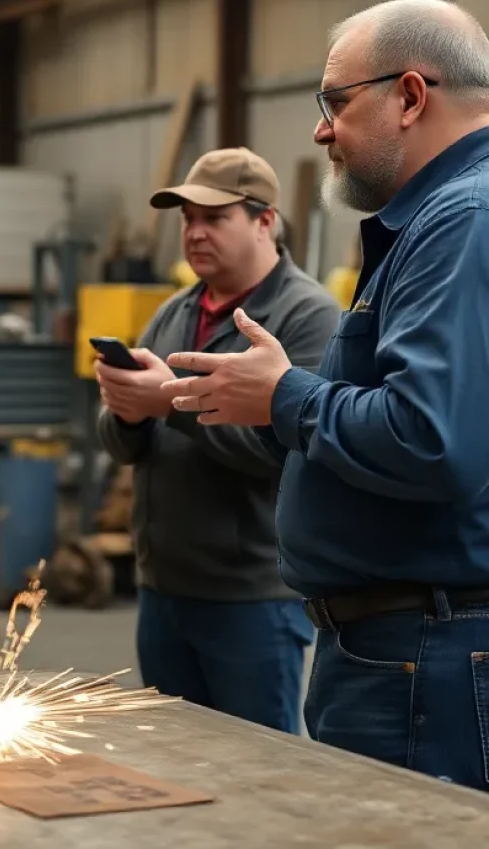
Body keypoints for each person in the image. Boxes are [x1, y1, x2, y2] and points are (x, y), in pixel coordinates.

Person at [159, 0, 489, 790]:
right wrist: (273, 404)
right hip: (400, 643)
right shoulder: (432, 223)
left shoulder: (461, 220)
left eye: (336, 103)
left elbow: (429, 439)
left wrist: (287, 397)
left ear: (410, 96)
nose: (320, 129)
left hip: (423, 651)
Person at [96, 148, 339, 733]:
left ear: (265, 220)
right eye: (187, 220)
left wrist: (170, 401)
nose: (195, 233)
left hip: (251, 599)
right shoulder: (173, 313)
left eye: (214, 217)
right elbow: (124, 446)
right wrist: (129, 412)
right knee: (176, 766)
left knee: (260, 777)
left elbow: (288, 452)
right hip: (162, 589)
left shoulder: (306, 317)